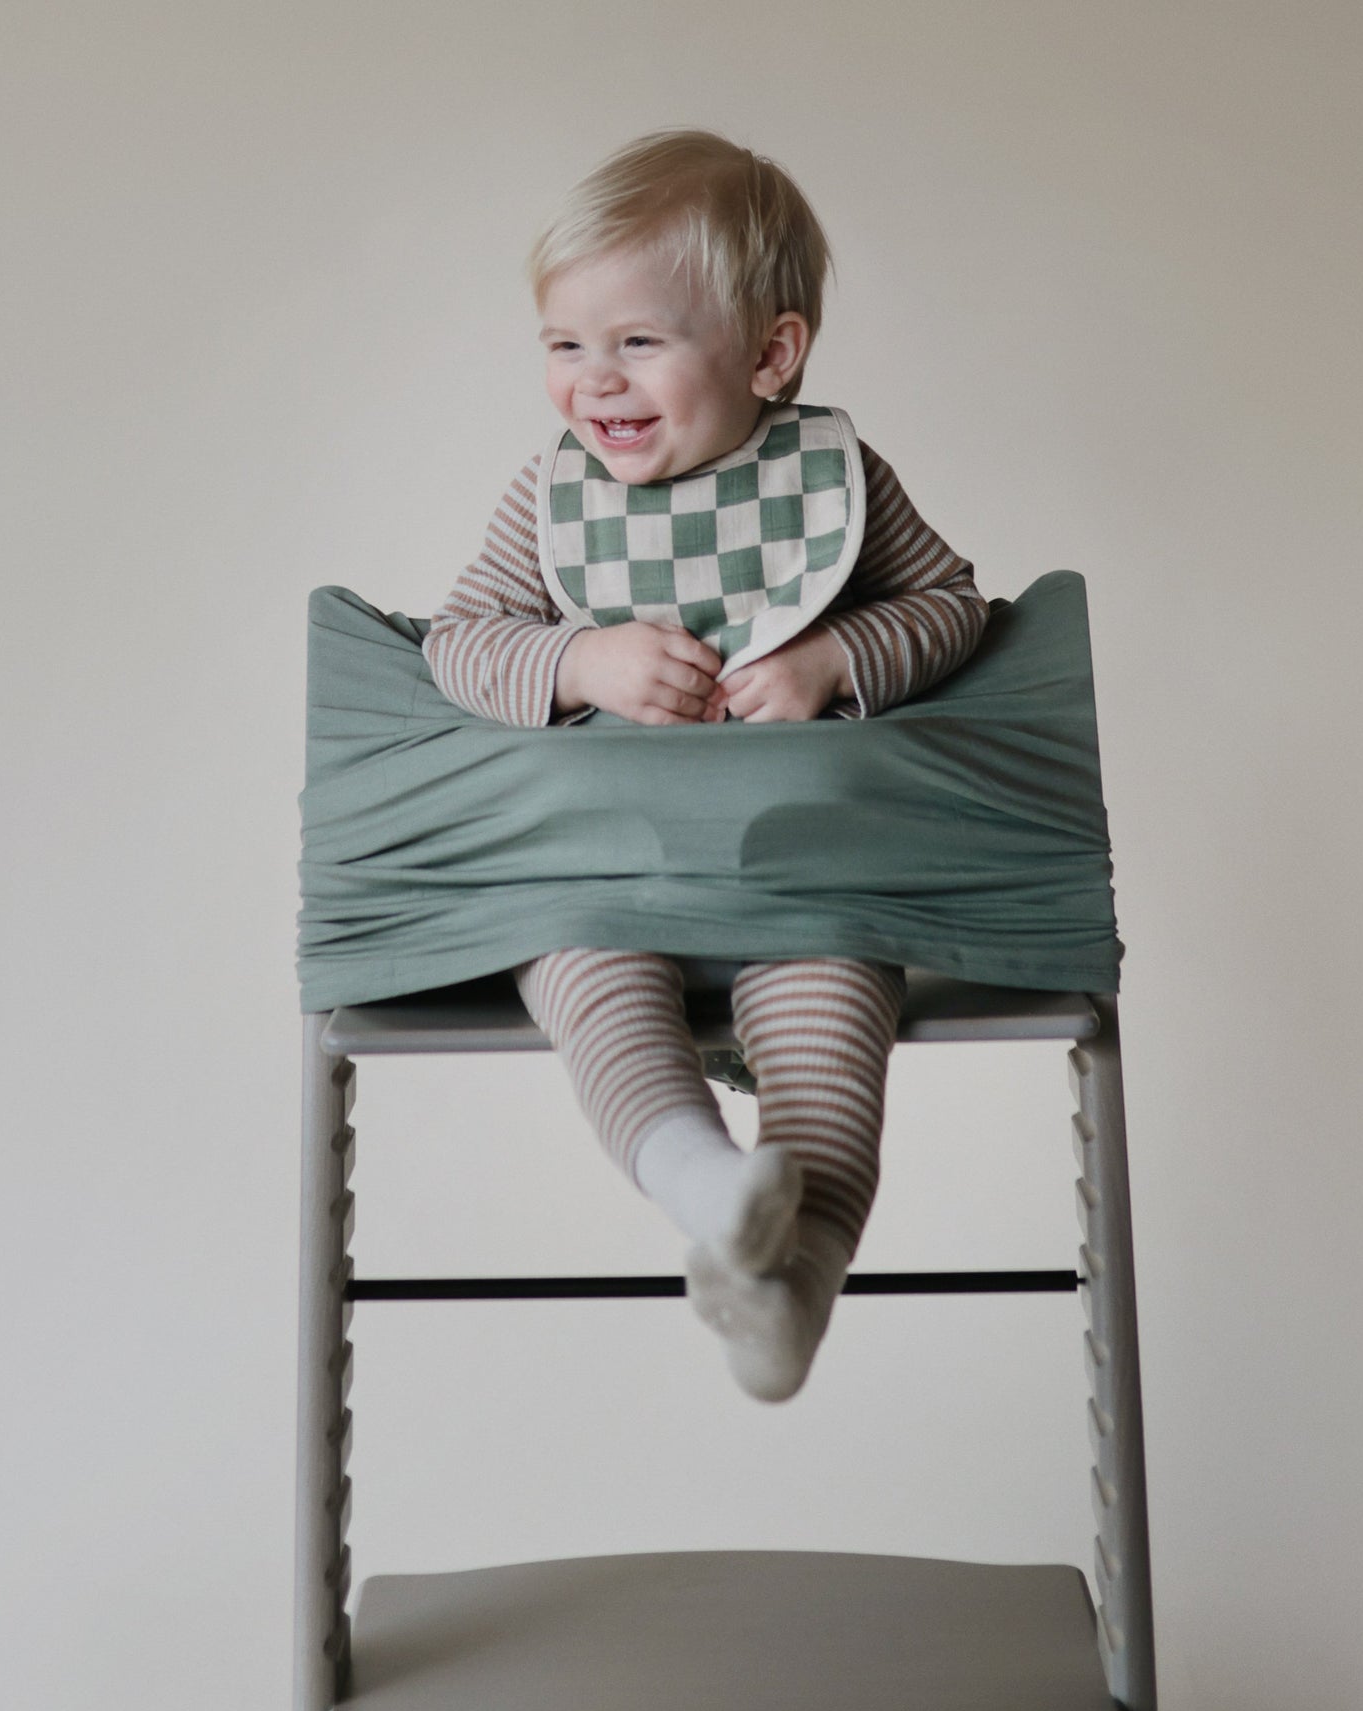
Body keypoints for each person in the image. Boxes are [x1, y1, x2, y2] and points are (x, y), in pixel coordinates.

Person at [423, 130, 989, 1401]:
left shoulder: (832, 484)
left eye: (637, 340)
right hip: (607, 887)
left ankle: (789, 1292)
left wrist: (835, 657)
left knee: (834, 1034)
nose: (594, 380)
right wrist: (578, 661)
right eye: (564, 344)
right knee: (583, 979)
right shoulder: (552, 503)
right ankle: (707, 1184)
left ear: (769, 355)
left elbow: (951, 605)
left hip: (796, 886)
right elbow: (458, 641)